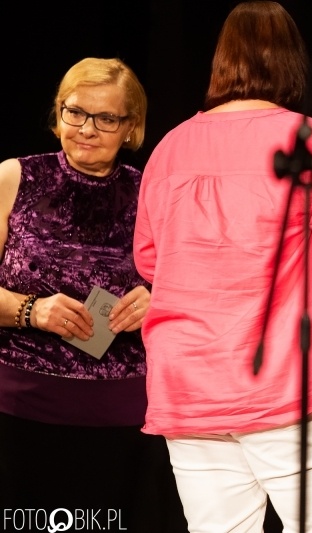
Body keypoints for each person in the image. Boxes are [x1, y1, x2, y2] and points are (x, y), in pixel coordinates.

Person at [133, 2, 312, 532]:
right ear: (293, 62)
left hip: (190, 385)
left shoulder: (169, 148)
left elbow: (150, 261)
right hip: (290, 380)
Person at [0, 57, 186, 530]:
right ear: (58, 112)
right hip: (19, 405)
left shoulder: (153, 194)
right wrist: (31, 310)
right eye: (75, 112)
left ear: (131, 127)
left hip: (123, 417)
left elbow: (195, 290)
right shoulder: (13, 178)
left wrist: (157, 299)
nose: (86, 128)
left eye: (106, 118)